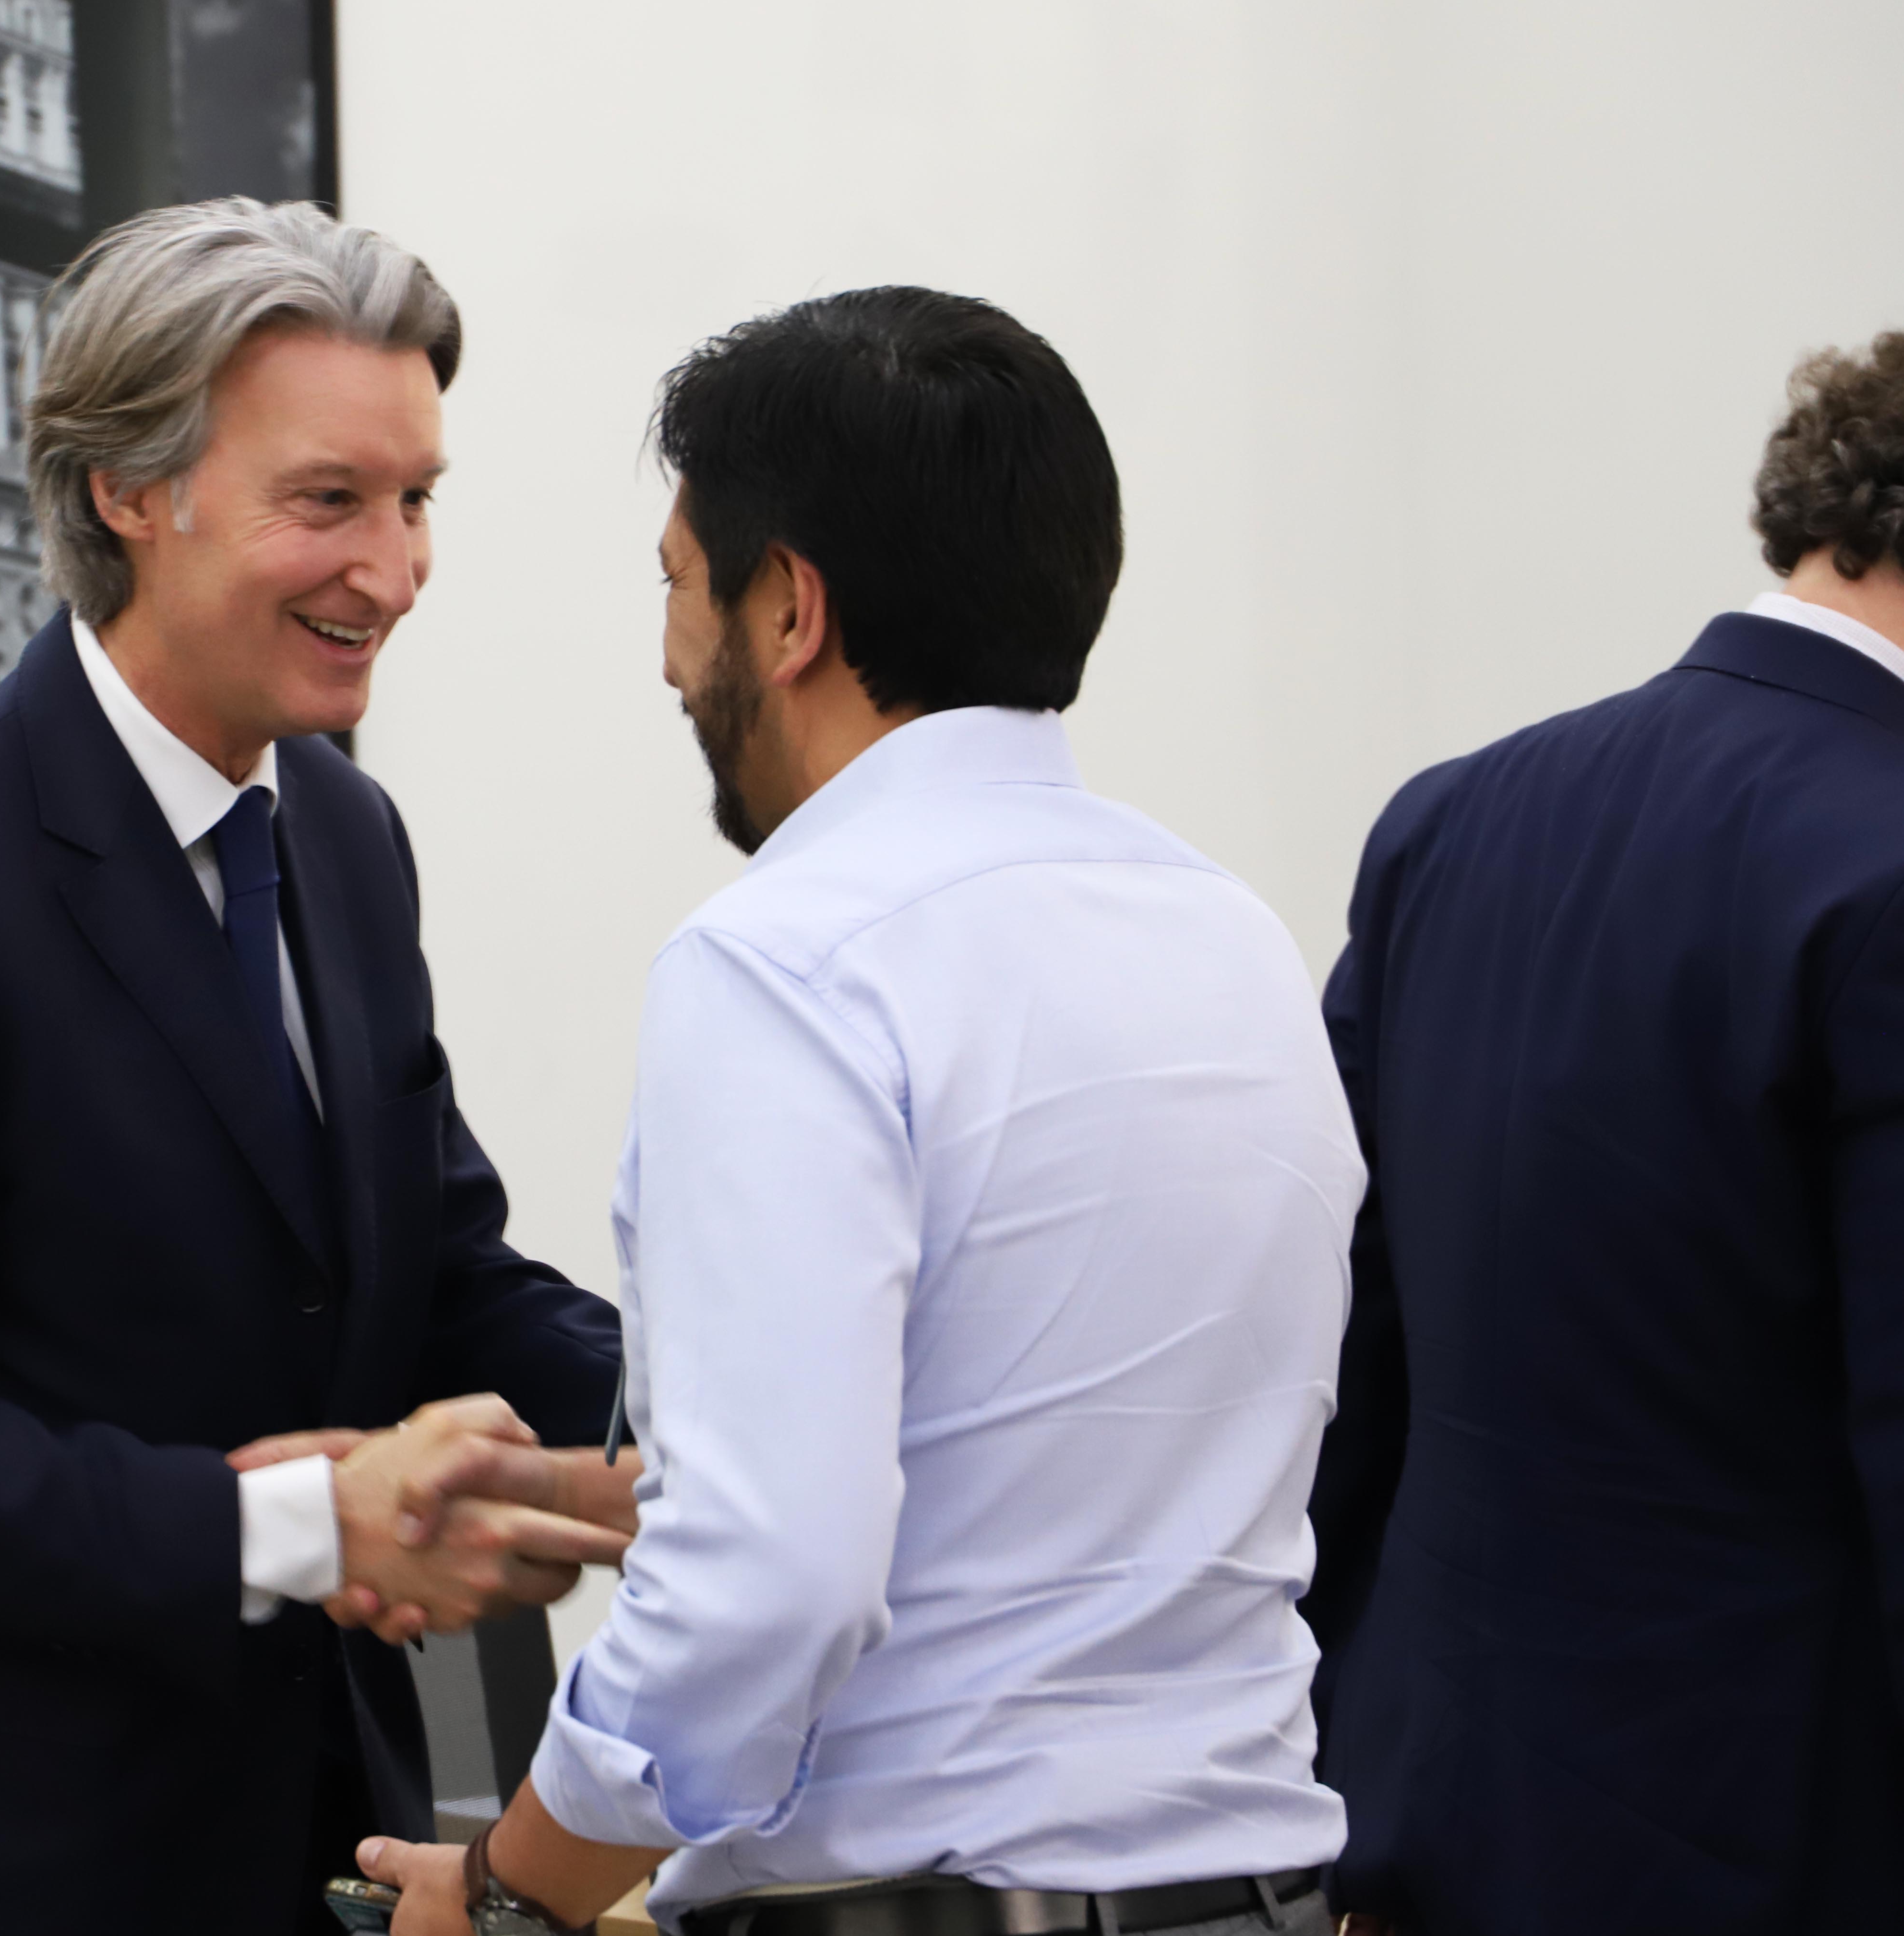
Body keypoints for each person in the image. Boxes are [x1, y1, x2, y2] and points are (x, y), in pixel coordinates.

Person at [0, 198, 629, 1936]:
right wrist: (306, 1525)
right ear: (125, 489)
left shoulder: (343, 834)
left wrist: (709, 1424)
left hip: (284, 1837)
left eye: (413, 500)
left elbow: (434, 1274)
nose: (392, 571)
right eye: (327, 501)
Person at [357, 288, 1361, 1936]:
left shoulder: (784, 963)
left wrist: (506, 1891)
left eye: (679, 586)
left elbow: (766, 1592)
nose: (667, 656)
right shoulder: (1232, 938)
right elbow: (1051, 1450)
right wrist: (635, 1490)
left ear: (787, 609)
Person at [1301, 336, 1904, 1933]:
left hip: (1423, 1833)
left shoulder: (1450, 819)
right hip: (1785, 1854)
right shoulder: (1881, 861)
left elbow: (1333, 1370)